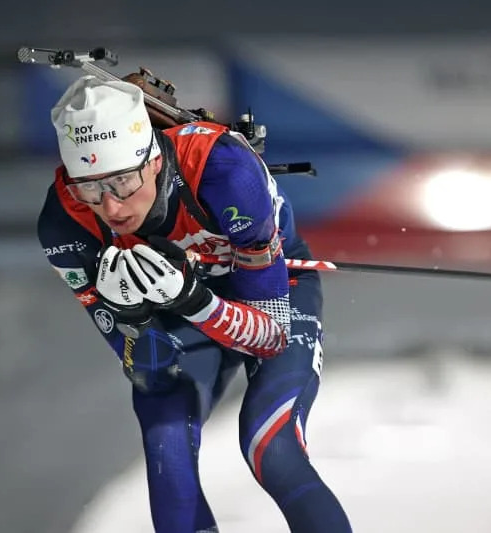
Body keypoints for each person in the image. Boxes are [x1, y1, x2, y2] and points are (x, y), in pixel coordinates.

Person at [36, 74, 352, 533]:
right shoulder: (64, 221)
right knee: (167, 444)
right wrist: (135, 320)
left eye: (123, 181)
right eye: (90, 187)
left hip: (270, 286)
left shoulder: (224, 171)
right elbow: (148, 368)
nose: (111, 207)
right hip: (175, 304)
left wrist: (194, 300)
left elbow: (269, 336)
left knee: (271, 447)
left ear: (152, 161)